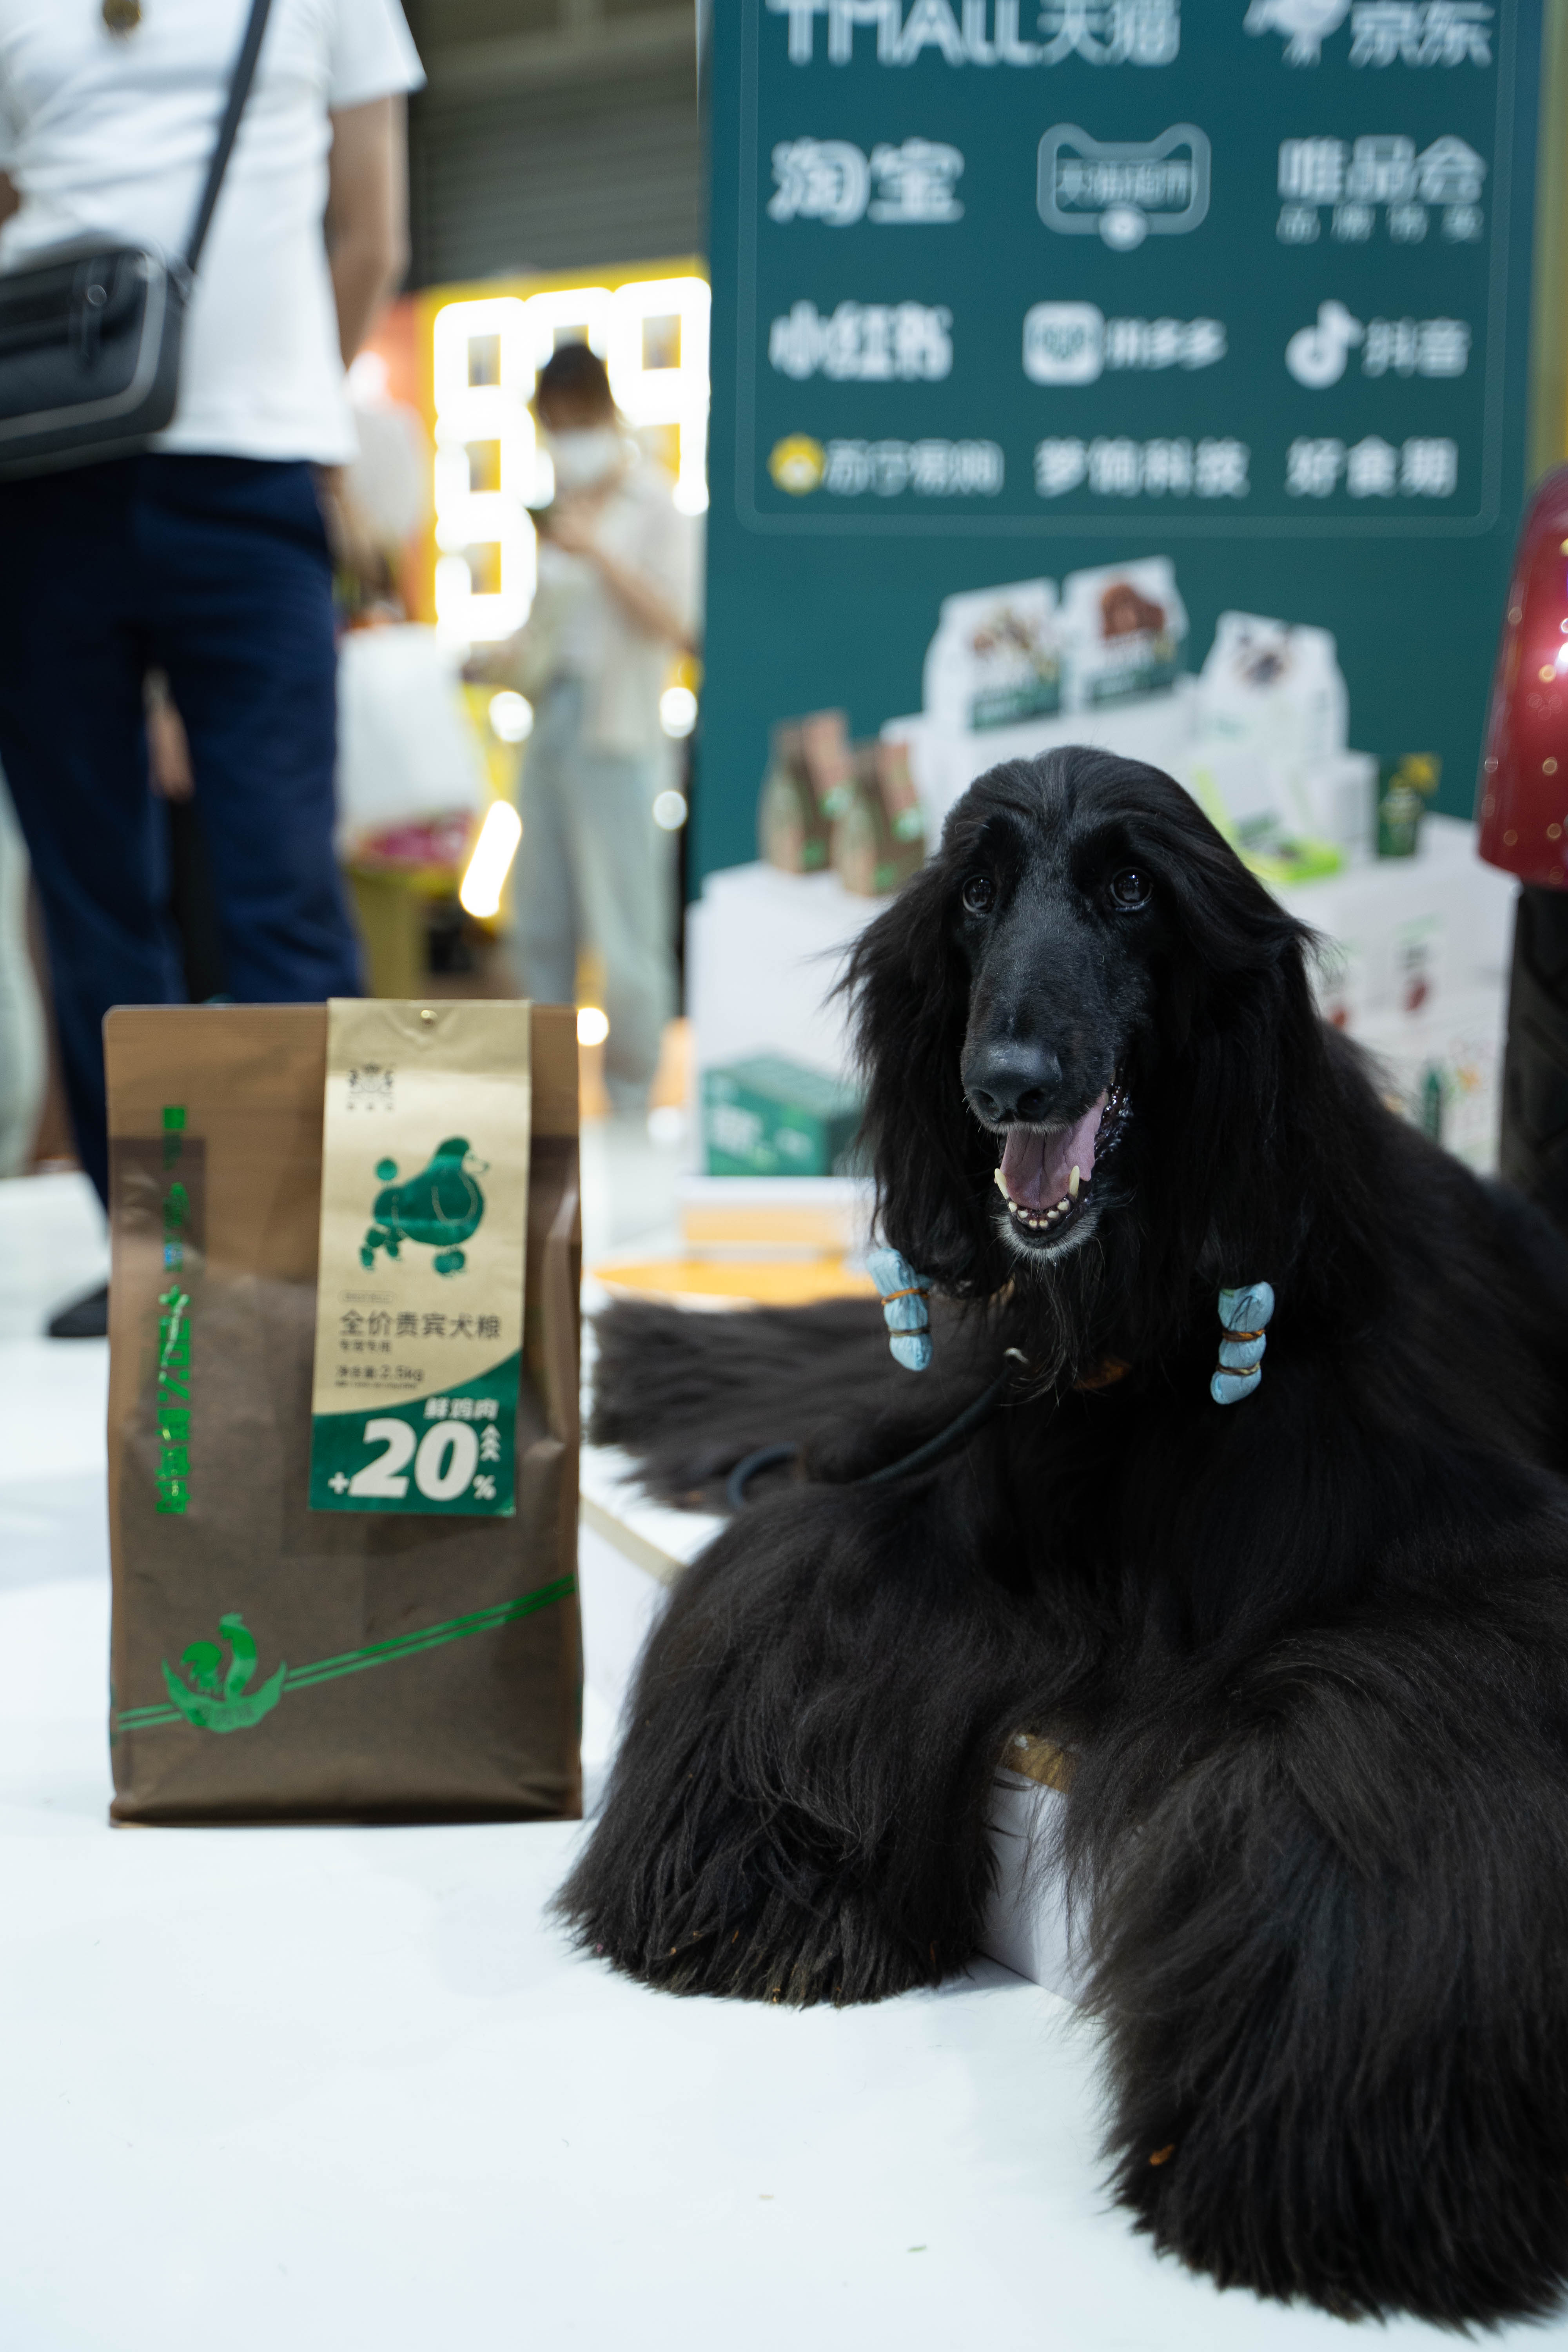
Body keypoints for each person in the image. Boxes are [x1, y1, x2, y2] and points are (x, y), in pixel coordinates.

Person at [0, 0, 423, 1336]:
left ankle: (290, 1256)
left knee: (257, 881)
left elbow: (372, 236)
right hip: (48, 478)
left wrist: (283, 393)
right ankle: (179, 1259)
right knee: (112, 888)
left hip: (231, 476)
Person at [475, 344, 701, 1114]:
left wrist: (598, 552)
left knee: (626, 929)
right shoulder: (560, 507)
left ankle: (633, 1096)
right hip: (549, 723)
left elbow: (680, 623)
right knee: (538, 923)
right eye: (555, 422)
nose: (566, 435)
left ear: (606, 412)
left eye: (577, 419)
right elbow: (547, 630)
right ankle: (543, 1101)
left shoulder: (655, 502)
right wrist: (502, 656)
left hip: (620, 731)